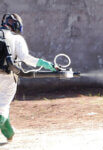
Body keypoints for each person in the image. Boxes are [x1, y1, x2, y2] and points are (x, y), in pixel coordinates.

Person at [0, 13, 56, 142]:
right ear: (16, 25)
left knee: (2, 107)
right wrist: (47, 64)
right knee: (3, 107)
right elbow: (26, 58)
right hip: (8, 77)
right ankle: (9, 134)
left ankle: (9, 134)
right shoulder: (16, 38)